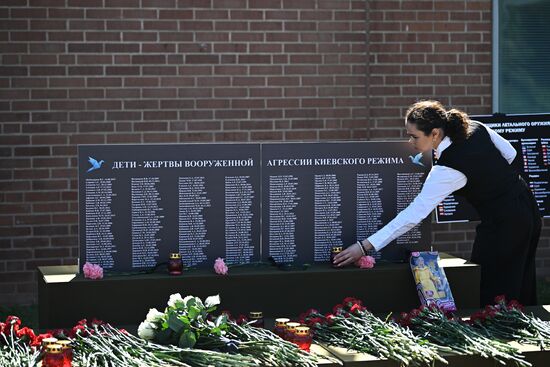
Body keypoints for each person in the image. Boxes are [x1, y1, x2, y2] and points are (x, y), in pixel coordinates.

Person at [333, 100, 541, 306]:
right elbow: (510, 153)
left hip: (504, 222)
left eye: (414, 136)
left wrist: (364, 246)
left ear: (434, 134)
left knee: (493, 288)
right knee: (521, 281)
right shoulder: (475, 127)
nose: (410, 142)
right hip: (527, 205)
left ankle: (503, 334)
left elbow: (413, 214)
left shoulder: (446, 169)